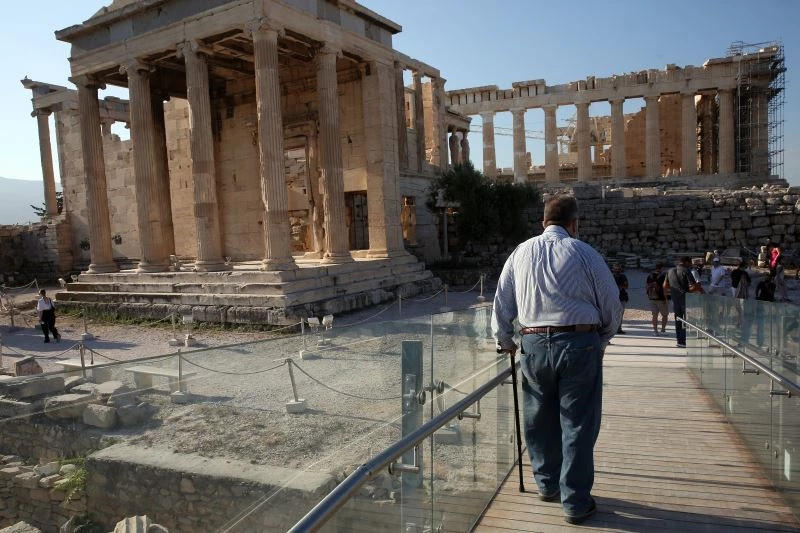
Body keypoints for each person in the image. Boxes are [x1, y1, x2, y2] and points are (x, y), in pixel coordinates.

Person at [492, 195, 622, 525]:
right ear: (574, 224)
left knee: (538, 418)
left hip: (533, 342)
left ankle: (547, 484)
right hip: (580, 342)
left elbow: (502, 302)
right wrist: (602, 338)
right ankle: (575, 501)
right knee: (577, 422)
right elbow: (611, 304)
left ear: (543, 223)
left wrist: (504, 340)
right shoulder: (585, 253)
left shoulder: (520, 252)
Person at [665, 256, 704, 348]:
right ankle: (683, 341)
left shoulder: (670, 271)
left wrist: (668, 296)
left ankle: (679, 340)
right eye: (690, 263)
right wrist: (688, 291)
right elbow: (694, 286)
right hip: (685, 298)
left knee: (678, 320)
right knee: (686, 321)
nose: (690, 265)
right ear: (686, 262)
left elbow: (665, 285)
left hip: (675, 299)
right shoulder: (686, 271)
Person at [646, 262, 669, 336]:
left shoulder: (650, 275)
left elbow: (646, 286)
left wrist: (648, 294)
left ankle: (655, 331)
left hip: (652, 297)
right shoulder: (664, 275)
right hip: (661, 298)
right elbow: (665, 287)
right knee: (665, 315)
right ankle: (663, 329)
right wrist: (666, 298)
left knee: (654, 315)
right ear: (662, 268)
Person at [612, 263, 628, 334]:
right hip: (613, 298)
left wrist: (620, 287)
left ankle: (618, 328)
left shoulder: (623, 276)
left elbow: (627, 286)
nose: (617, 270)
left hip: (621, 297)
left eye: (618, 268)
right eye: (616, 269)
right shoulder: (610, 276)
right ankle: (614, 329)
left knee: (620, 314)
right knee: (614, 314)